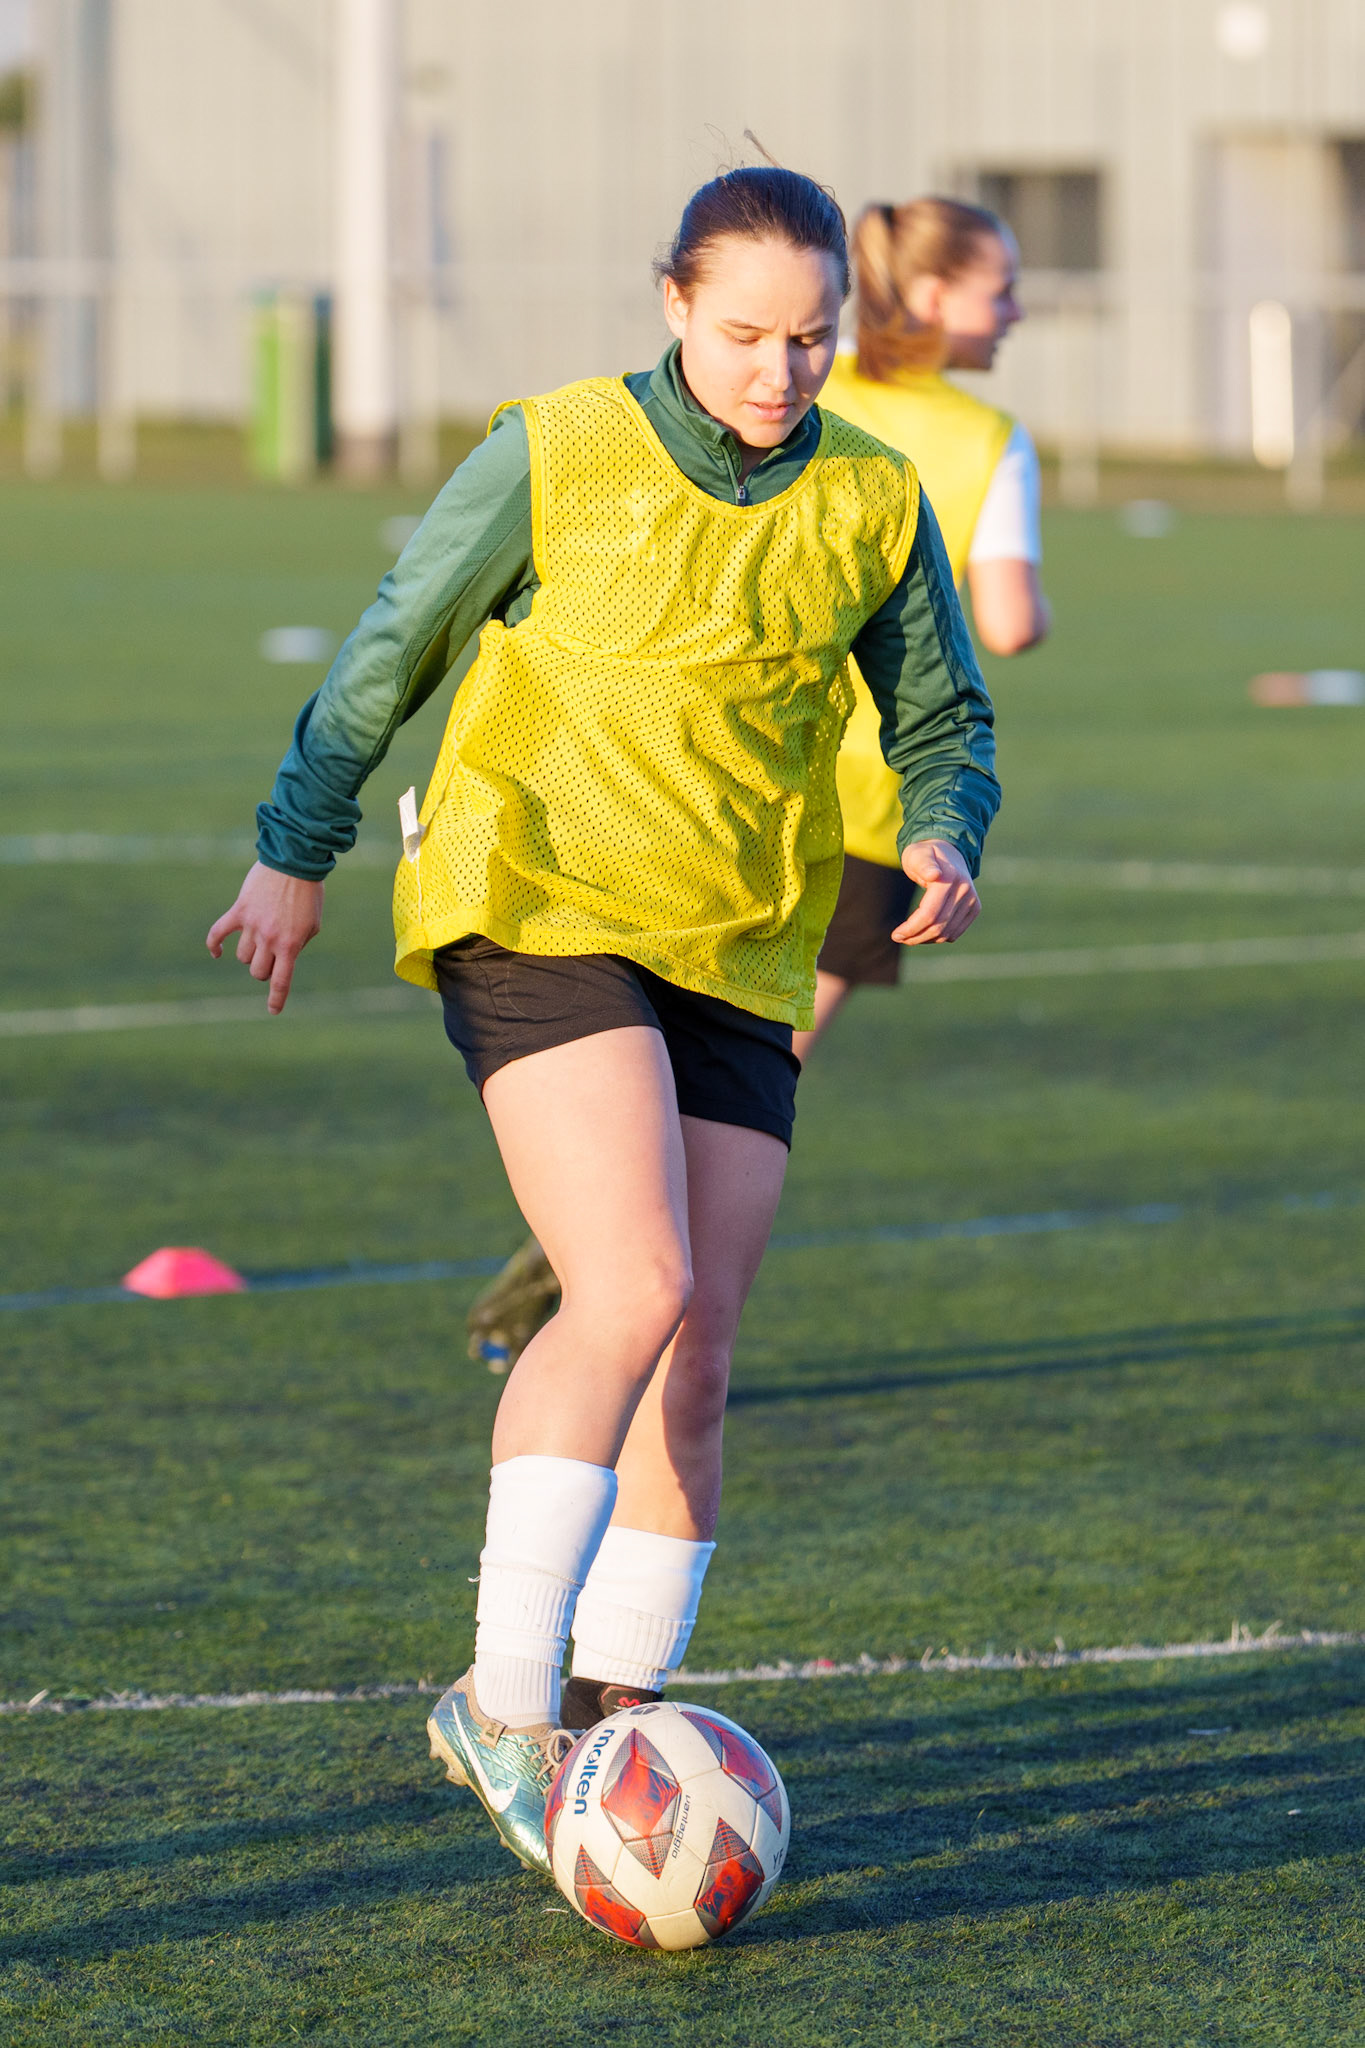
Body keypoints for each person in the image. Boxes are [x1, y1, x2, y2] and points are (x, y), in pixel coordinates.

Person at [206, 160, 999, 1878]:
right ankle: (502, 1705)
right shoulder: (556, 449)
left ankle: (613, 1723)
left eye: (809, 339)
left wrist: (946, 821)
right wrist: (295, 848)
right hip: (538, 901)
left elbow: (945, 708)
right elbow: (391, 645)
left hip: (736, 936)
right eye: (742, 335)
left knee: (698, 1341)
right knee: (628, 1281)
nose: (779, 371)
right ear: (671, 305)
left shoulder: (869, 498)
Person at [795, 195, 1050, 1060]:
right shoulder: (988, 438)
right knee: (755, 1078)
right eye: (1002, 290)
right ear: (935, 295)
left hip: (742, 751)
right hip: (873, 792)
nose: (1015, 312)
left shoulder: (798, 379)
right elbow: (1009, 625)